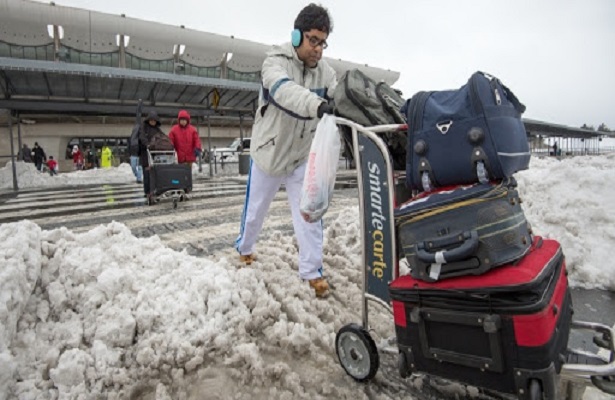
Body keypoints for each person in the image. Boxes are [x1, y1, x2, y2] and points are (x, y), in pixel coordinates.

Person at [234, 3, 337, 298]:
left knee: (309, 213)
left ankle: (312, 271)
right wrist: (317, 105)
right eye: (312, 40)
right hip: (269, 153)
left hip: (301, 156)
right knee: (255, 212)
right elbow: (284, 92)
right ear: (296, 37)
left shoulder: (327, 74)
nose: (318, 48)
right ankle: (245, 249)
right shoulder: (274, 63)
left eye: (323, 42)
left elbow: (338, 94)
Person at [138, 110, 165, 197]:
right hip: (146, 153)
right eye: (151, 120)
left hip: (155, 153)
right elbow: (142, 137)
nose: (153, 122)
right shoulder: (143, 127)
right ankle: (147, 192)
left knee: (156, 172)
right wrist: (147, 144)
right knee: (147, 173)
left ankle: (156, 189)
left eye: (154, 120)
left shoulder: (158, 130)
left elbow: (163, 137)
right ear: (148, 120)